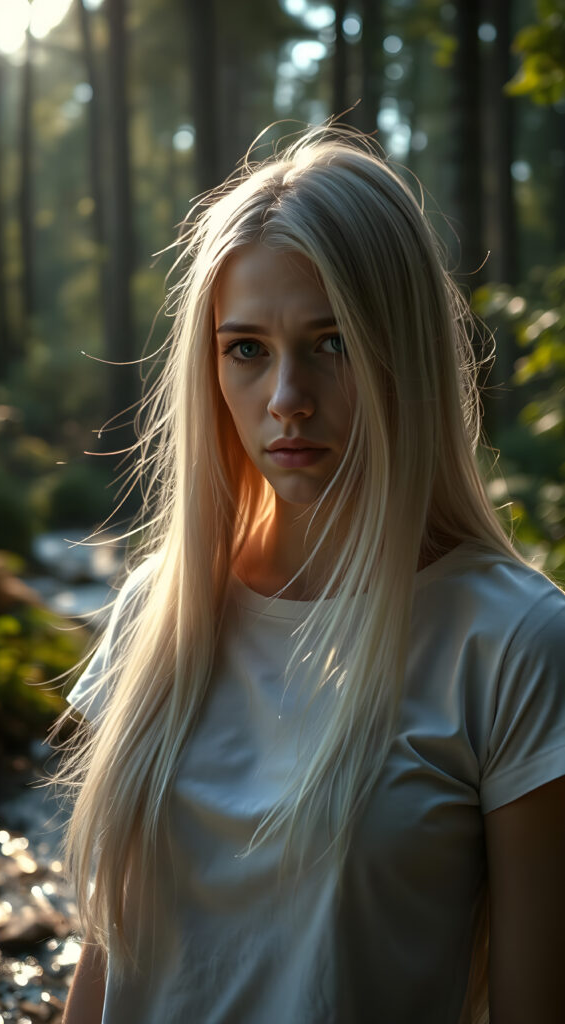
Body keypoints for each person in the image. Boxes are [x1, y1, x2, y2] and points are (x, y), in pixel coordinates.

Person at [57, 125, 565, 1024]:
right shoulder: (158, 614)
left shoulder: (512, 643)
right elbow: (108, 964)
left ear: (399, 350)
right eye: (245, 349)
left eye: (330, 342)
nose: (285, 396)